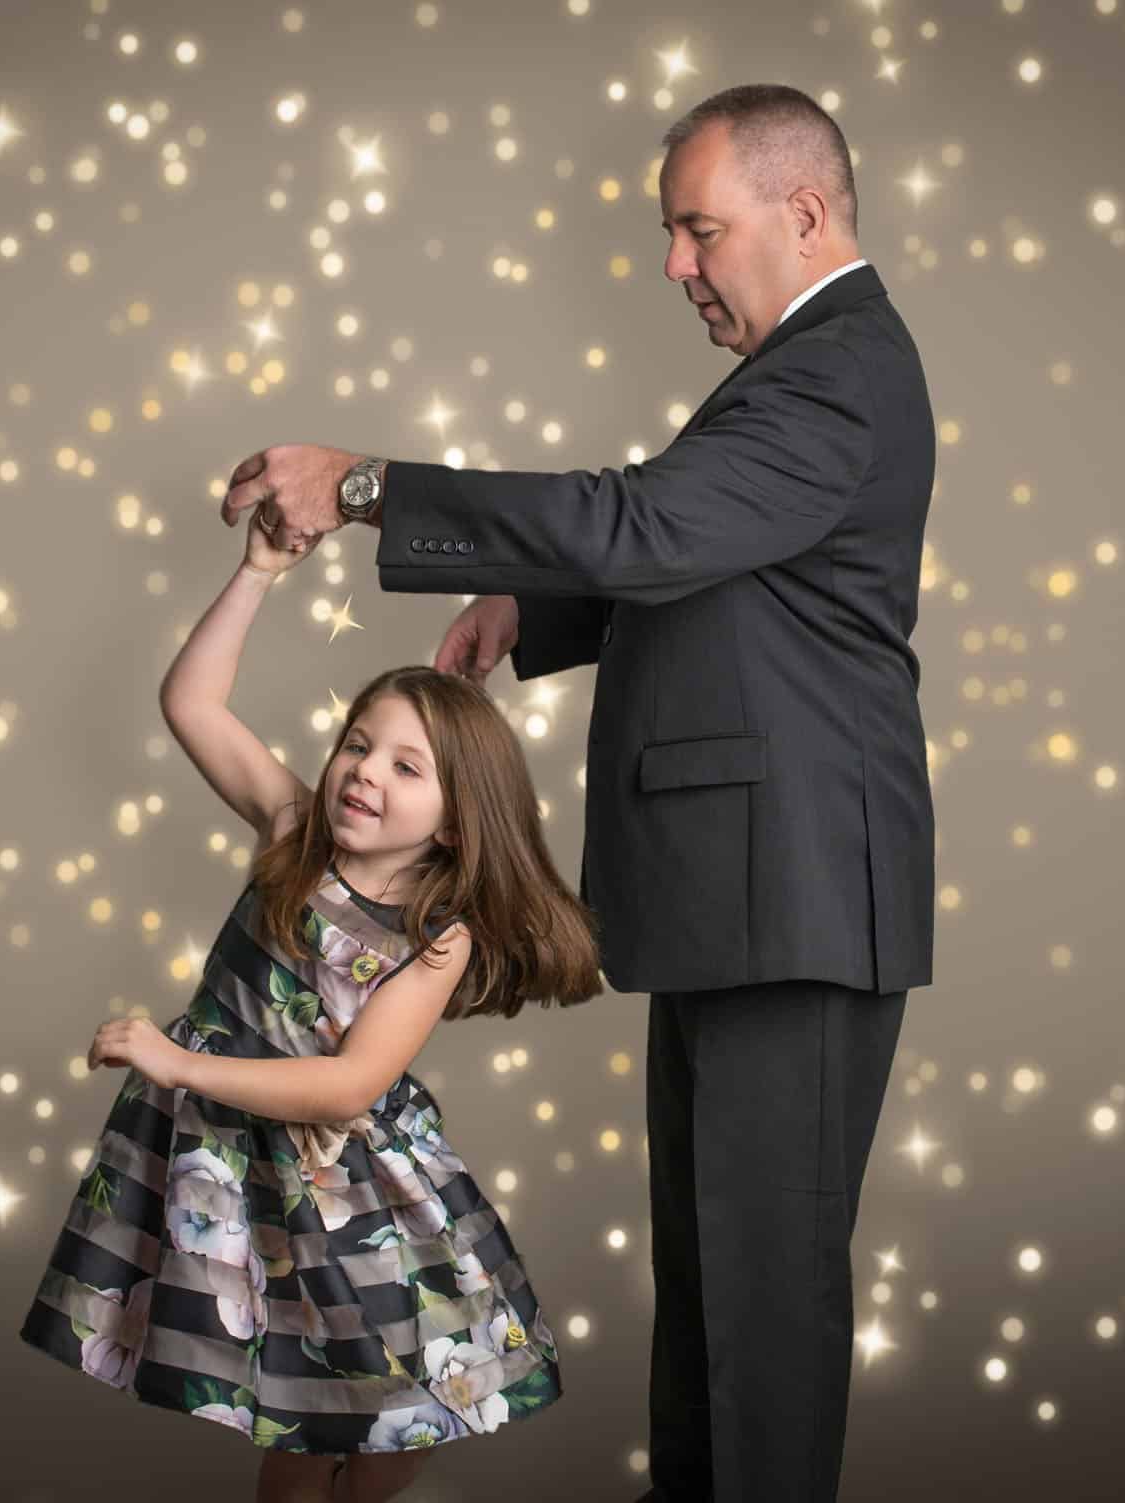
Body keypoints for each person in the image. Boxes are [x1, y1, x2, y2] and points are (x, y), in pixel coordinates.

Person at [221, 83, 935, 1502]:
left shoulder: (838, 366)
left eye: (698, 229)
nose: (677, 265)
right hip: (749, 900)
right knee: (720, 1295)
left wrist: (366, 482)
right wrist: (533, 613)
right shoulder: (812, 368)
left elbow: (656, 520)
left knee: (762, 1311)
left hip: (791, 894)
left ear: (803, 214)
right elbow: (724, 559)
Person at [17, 502, 604, 1503]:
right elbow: (193, 705)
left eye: (405, 766)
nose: (363, 773)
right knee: (291, 1422)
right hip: (238, 1178)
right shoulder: (295, 834)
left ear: (459, 825)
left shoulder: (437, 935)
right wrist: (256, 575)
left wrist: (176, 1060)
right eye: (356, 746)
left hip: (353, 1193)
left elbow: (348, 1085)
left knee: (403, 1413)